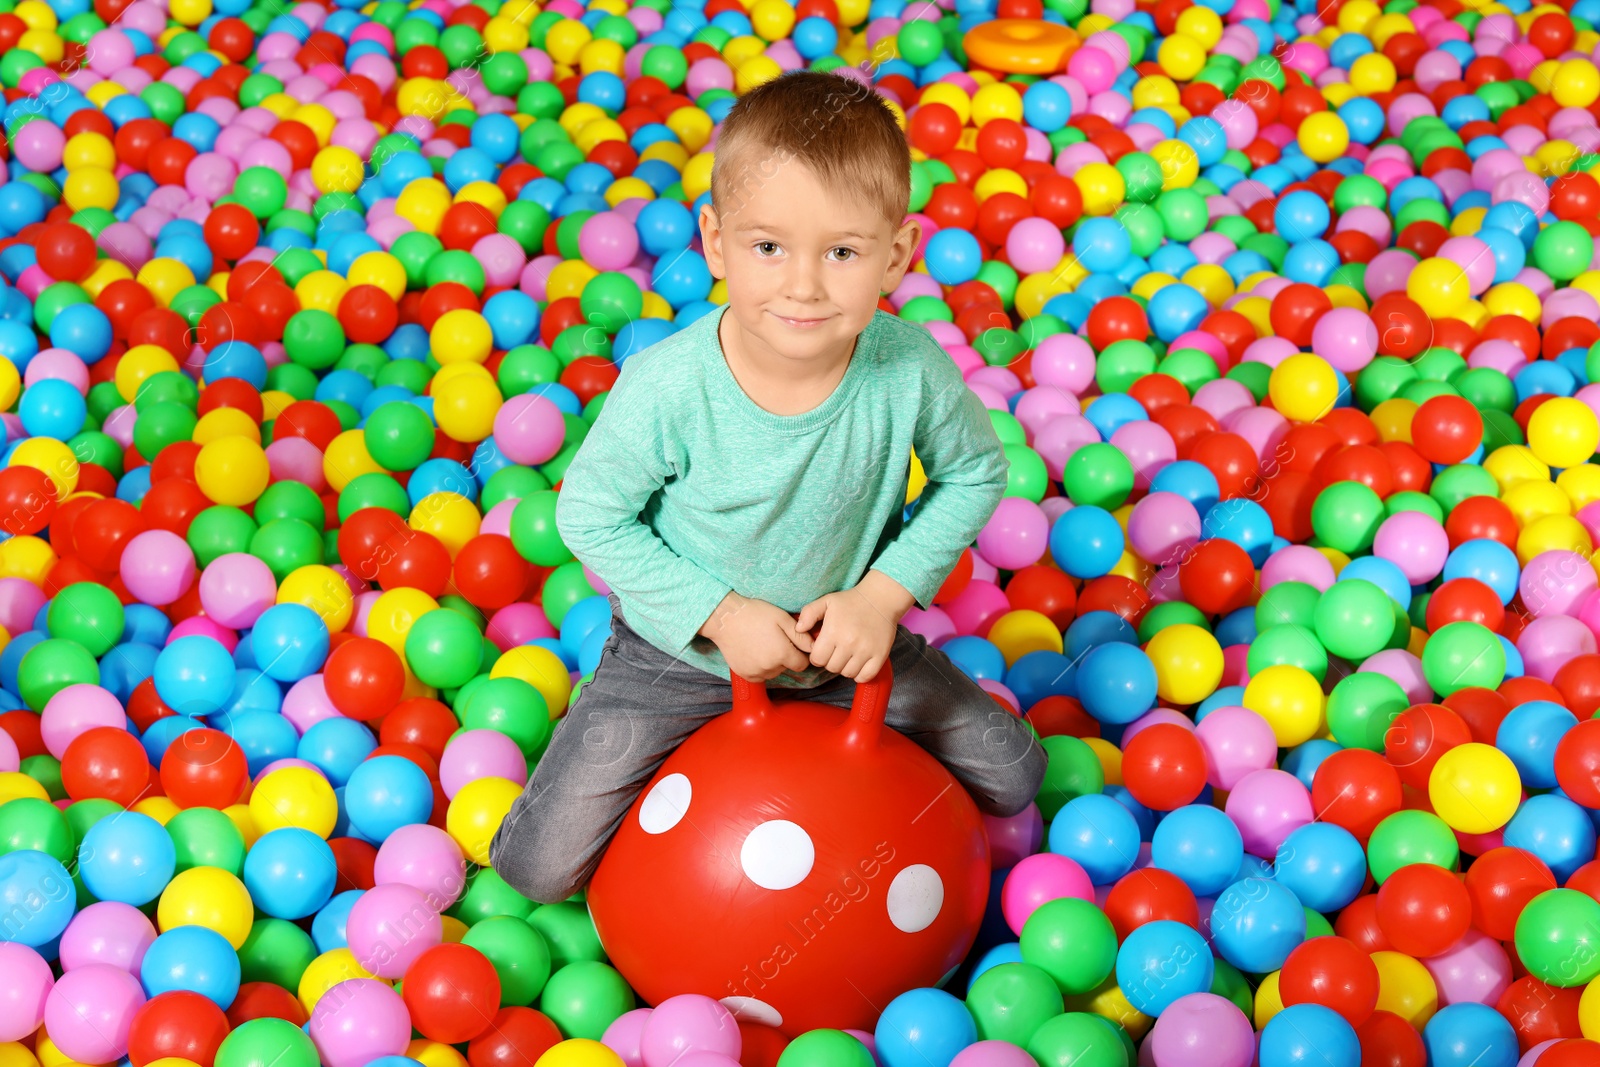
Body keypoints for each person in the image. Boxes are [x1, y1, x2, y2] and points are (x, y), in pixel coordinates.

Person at [491, 69, 1048, 905]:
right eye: (767, 247)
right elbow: (591, 513)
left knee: (1016, 772)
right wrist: (722, 617)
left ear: (896, 255)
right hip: (678, 657)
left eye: (844, 252)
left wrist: (880, 599)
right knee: (538, 868)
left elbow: (976, 471)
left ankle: (818, 752)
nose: (803, 285)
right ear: (715, 243)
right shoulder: (669, 387)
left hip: (841, 648)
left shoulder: (909, 369)